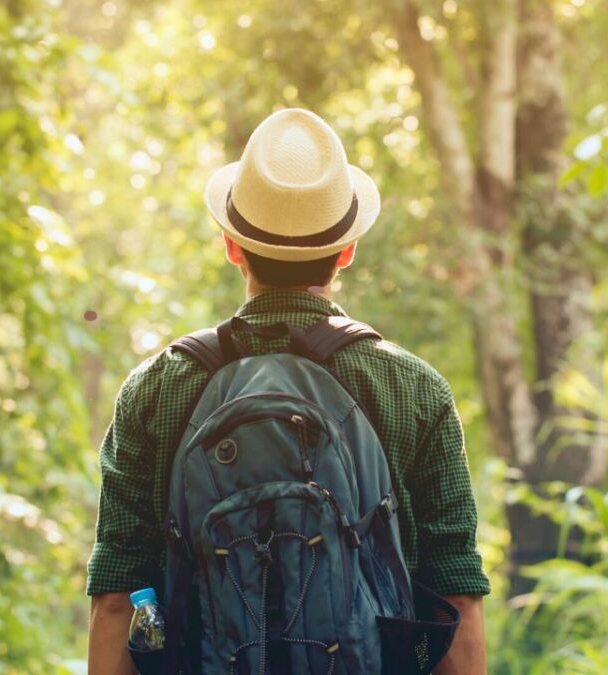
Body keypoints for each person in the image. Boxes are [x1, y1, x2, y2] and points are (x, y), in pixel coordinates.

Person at [87, 108, 489, 674]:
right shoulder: (413, 389)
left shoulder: (157, 388)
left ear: (232, 245)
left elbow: (115, 599)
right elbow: (456, 594)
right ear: (347, 250)